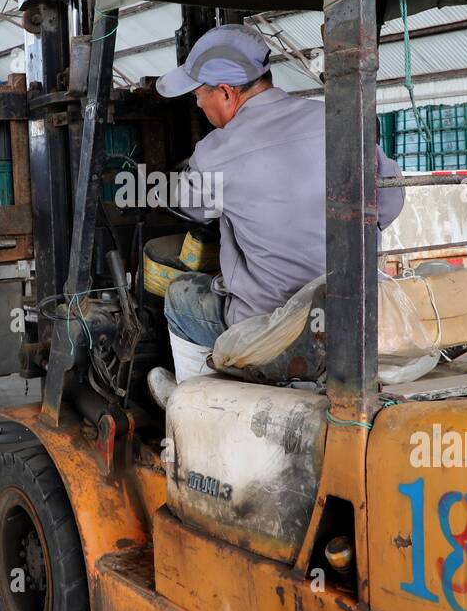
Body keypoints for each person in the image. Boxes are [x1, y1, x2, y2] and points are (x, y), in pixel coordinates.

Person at [150, 24, 405, 381]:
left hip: (270, 326)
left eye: (198, 93)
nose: (196, 102)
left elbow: (188, 206)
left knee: (181, 297)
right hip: (355, 310)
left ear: (225, 92)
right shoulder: (337, 122)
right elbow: (391, 202)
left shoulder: (215, 153)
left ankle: (191, 402)